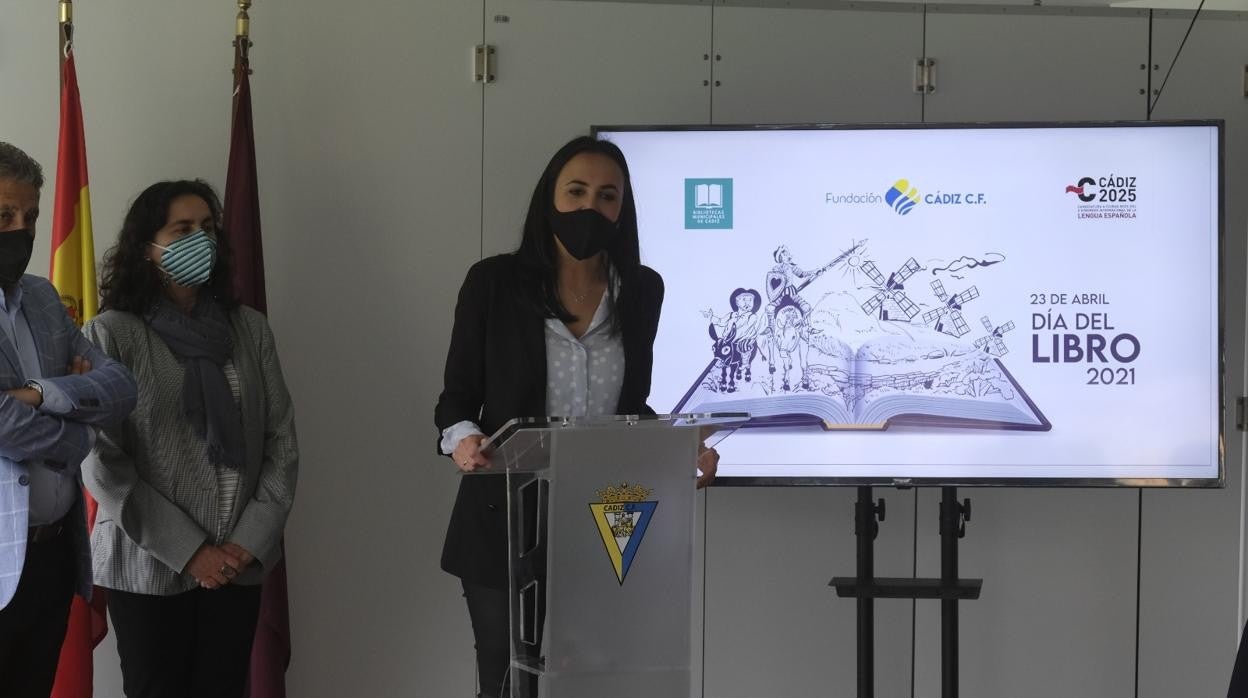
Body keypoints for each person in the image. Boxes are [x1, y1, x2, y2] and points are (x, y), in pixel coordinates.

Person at [434, 135, 719, 698]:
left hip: (603, 514)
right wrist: (464, 440)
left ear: (622, 209)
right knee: (506, 672)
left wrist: (683, 447)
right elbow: (456, 398)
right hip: (504, 512)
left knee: (592, 670)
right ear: (550, 199)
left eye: (607, 196)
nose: (591, 207)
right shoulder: (493, 282)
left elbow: (631, 409)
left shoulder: (641, 290)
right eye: (577, 191)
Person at [81, 180, 298, 698]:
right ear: (146, 246)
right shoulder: (111, 333)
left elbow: (281, 445)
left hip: (237, 564)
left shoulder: (249, 329)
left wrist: (245, 544)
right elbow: (102, 460)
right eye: (182, 229)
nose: (199, 239)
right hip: (146, 567)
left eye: (207, 228)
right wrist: (192, 551)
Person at [0, 142, 138, 697]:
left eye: (30, 216)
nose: (22, 230)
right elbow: (4, 425)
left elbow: (121, 387)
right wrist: (80, 428)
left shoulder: (41, 296)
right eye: (4, 216)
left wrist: (40, 392)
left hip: (54, 557)